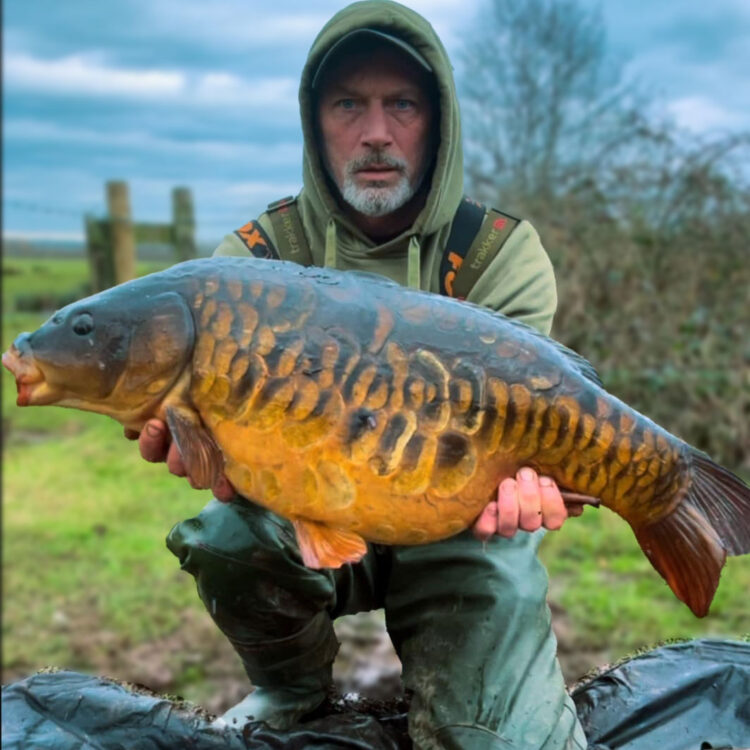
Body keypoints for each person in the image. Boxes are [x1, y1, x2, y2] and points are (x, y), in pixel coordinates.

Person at [132, 2, 588, 747]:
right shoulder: (253, 259)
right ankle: (290, 689)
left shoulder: (497, 253)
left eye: (401, 104)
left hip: (459, 524)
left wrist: (538, 481)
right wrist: (195, 439)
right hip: (303, 509)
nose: (376, 132)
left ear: (438, 121)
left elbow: (533, 420)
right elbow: (200, 431)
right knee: (224, 536)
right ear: (316, 124)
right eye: (349, 104)